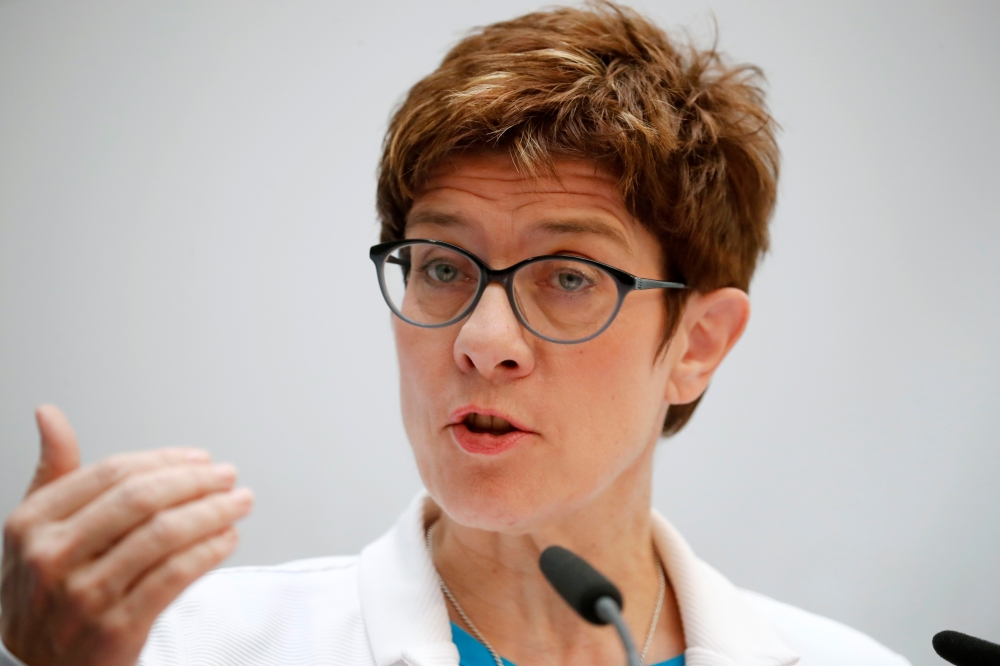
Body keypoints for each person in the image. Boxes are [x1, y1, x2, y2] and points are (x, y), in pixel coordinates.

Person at [0, 4, 912, 666]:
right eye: (442, 265)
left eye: (568, 277)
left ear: (698, 344)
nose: (483, 340)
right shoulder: (182, 650)